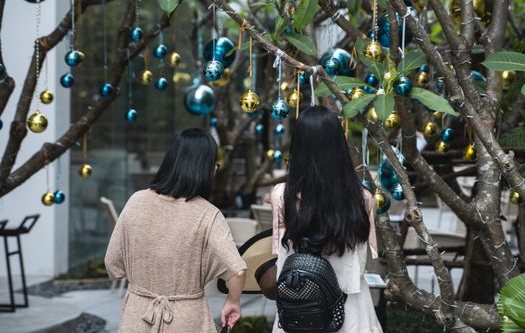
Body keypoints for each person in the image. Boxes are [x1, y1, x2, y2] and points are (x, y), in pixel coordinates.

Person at [105, 128, 247, 333]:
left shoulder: (136, 201)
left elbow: (112, 264)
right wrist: (233, 302)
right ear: (204, 168)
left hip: (137, 316)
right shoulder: (208, 214)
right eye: (214, 165)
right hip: (186, 319)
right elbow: (238, 271)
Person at [266, 106, 383, 333]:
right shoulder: (363, 199)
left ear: (298, 147)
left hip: (299, 312)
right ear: (339, 146)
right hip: (352, 313)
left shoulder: (282, 196)